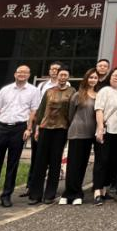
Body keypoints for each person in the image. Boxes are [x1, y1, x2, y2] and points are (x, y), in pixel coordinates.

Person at [0, 65, 40, 209]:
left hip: (19, 128)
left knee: (13, 164)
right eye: (19, 72)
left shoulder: (34, 91)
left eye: (25, 72)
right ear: (15, 74)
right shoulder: (5, 90)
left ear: (29, 75)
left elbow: (33, 112)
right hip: (1, 127)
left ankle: (6, 195)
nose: (22, 74)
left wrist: (29, 129)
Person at [28, 67, 73, 205]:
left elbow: (71, 112)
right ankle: (35, 194)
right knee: (40, 161)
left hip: (61, 129)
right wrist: (37, 128)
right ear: (57, 76)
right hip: (45, 128)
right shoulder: (48, 91)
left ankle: (50, 194)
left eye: (65, 75)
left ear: (68, 77)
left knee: (55, 161)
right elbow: (41, 111)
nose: (62, 77)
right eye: (61, 75)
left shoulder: (72, 92)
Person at [22, 62, 60, 197]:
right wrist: (33, 124)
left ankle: (49, 189)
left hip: (56, 126)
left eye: (57, 69)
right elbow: (36, 105)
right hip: (40, 123)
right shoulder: (42, 85)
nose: (54, 71)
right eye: (52, 69)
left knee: (52, 158)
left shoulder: (66, 86)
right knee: (36, 156)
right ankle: (31, 186)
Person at [62, 68, 99, 205]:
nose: (93, 80)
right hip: (77, 132)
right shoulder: (78, 95)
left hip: (90, 134)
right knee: (73, 164)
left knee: (83, 164)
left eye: (95, 78)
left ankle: (77, 193)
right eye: (91, 77)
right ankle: (68, 194)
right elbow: (70, 114)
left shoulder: (98, 96)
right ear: (86, 79)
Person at [93, 67, 117, 204]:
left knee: (113, 161)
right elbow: (99, 110)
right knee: (102, 160)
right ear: (110, 77)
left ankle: (104, 190)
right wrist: (100, 127)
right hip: (106, 130)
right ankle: (97, 191)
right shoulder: (104, 91)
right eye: (114, 75)